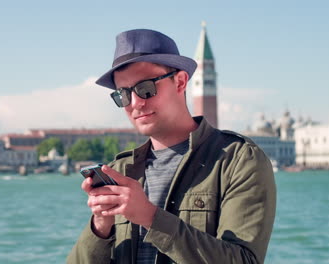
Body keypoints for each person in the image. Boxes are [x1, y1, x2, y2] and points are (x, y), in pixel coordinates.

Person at [67, 29, 276, 264]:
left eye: (145, 88)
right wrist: (101, 225)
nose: (135, 103)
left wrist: (150, 216)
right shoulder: (120, 169)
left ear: (180, 82)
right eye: (123, 94)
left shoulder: (238, 160)